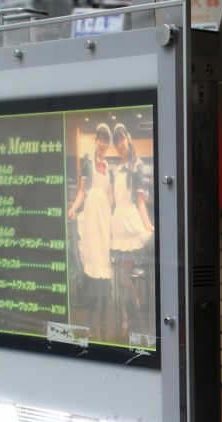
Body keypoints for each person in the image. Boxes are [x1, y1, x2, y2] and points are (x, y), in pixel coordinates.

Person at [109, 123, 154, 341]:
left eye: (121, 139)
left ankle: (135, 318)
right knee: (120, 278)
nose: (119, 144)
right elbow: (111, 201)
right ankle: (133, 308)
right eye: (116, 141)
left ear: (128, 138)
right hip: (117, 224)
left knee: (123, 277)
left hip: (130, 223)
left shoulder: (137, 165)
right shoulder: (116, 170)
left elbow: (140, 201)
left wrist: (148, 226)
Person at [66, 123, 113, 334]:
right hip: (92, 217)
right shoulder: (88, 162)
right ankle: (92, 318)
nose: (103, 143)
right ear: (96, 140)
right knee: (93, 262)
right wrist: (73, 208)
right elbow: (83, 191)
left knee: (104, 263)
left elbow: (110, 196)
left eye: (106, 140)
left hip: (104, 218)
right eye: (101, 139)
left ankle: (102, 317)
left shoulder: (109, 168)